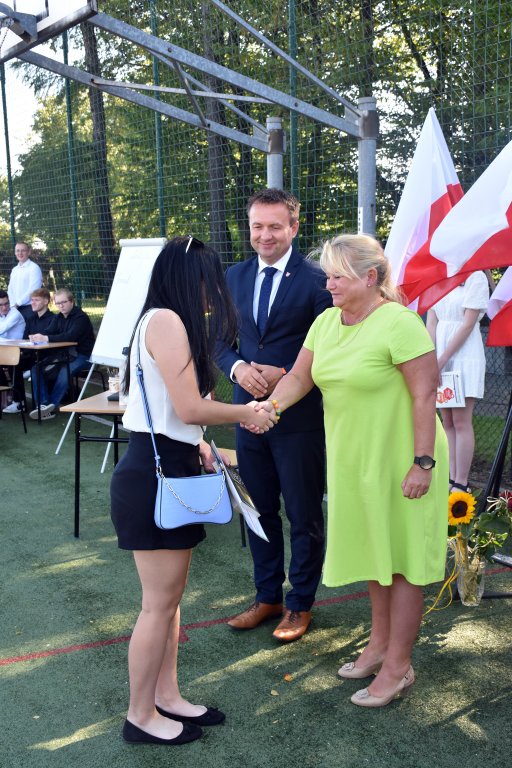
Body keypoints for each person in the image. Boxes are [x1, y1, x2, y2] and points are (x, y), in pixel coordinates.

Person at [252, 234, 448, 707]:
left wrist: (422, 463)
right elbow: (299, 377)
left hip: (403, 459)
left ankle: (398, 667)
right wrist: (268, 408)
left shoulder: (400, 323)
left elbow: (425, 393)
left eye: (338, 276)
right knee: (378, 559)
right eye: (327, 276)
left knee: (403, 566)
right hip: (354, 462)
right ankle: (379, 647)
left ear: (370, 277)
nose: (329, 284)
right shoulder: (325, 322)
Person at [110, 236, 276, 747]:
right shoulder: (165, 321)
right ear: (189, 279)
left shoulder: (165, 320)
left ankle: (167, 696)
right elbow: (188, 408)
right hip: (154, 471)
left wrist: (201, 442)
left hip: (168, 464)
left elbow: (172, 409)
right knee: (157, 605)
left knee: (169, 601)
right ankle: (141, 715)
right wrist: (247, 412)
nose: (213, 293)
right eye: (208, 281)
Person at [216, 188, 332, 642]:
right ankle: (268, 597)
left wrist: (284, 371)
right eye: (257, 226)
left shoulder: (319, 279)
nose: (265, 235)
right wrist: (238, 368)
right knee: (259, 510)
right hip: (248, 416)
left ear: (293, 228)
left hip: (299, 419)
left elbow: (332, 346)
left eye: (275, 226)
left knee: (303, 514)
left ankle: (299, 603)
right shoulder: (234, 276)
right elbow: (217, 340)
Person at [426, 271, 489, 492]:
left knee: (461, 421)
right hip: (439, 358)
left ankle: (461, 481)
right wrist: (431, 359)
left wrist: (441, 360)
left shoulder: (476, 277)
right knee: (448, 421)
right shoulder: (438, 275)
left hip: (464, 355)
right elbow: (431, 322)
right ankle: (450, 477)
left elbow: (468, 324)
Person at [28, 288, 95, 420]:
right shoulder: (58, 317)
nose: (61, 306)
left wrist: (45, 338)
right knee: (36, 369)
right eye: (58, 303)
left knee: (65, 370)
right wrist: (37, 336)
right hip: (65, 355)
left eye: (63, 302)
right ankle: (43, 405)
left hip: (83, 355)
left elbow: (70, 337)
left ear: (71, 301)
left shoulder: (81, 317)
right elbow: (49, 331)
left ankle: (51, 405)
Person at [3, 287, 55, 414]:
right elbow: (25, 338)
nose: (32, 303)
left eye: (36, 300)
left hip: (48, 356)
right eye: (32, 300)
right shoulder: (31, 319)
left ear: (46, 301)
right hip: (32, 355)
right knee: (14, 362)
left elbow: (50, 338)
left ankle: (41, 405)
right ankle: (18, 402)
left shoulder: (54, 318)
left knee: (31, 367)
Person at [7, 242, 43, 320]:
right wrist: (12, 304)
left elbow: (33, 290)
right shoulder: (14, 270)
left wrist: (18, 303)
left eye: (23, 250)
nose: (20, 253)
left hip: (29, 309)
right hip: (14, 308)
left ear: (29, 252)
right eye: (17, 250)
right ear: (15, 252)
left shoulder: (34, 268)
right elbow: (10, 289)